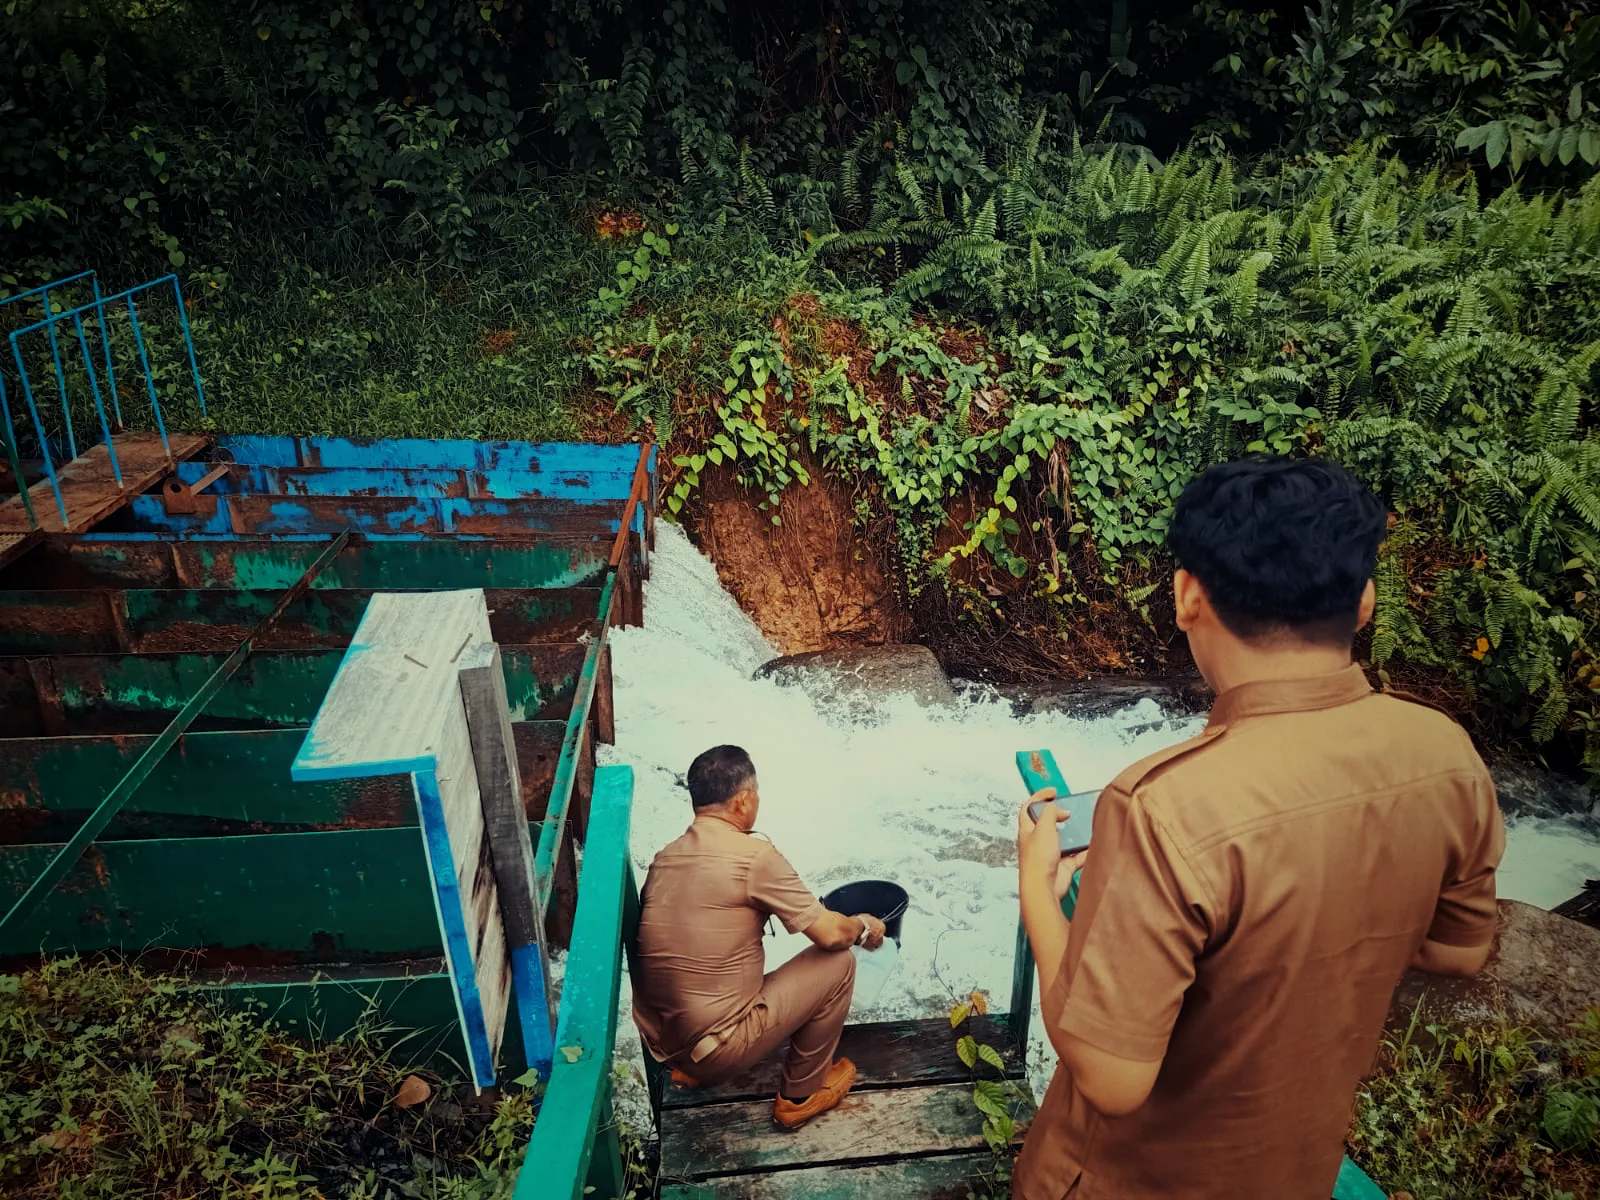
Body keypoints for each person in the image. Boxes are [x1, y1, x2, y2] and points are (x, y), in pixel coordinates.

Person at [1013, 456, 1505, 1199]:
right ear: (1366, 601)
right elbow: (1459, 949)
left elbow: (1111, 1078)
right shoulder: (1448, 757)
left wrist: (1041, 897)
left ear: (1186, 597)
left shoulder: (1162, 808)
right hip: (1294, 1172)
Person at [631, 744, 888, 1129]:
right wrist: (864, 926)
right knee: (839, 962)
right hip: (718, 1049)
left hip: (667, 1048)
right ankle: (801, 1095)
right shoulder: (754, 856)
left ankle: (692, 1071)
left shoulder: (664, 858)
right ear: (744, 800)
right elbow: (832, 935)